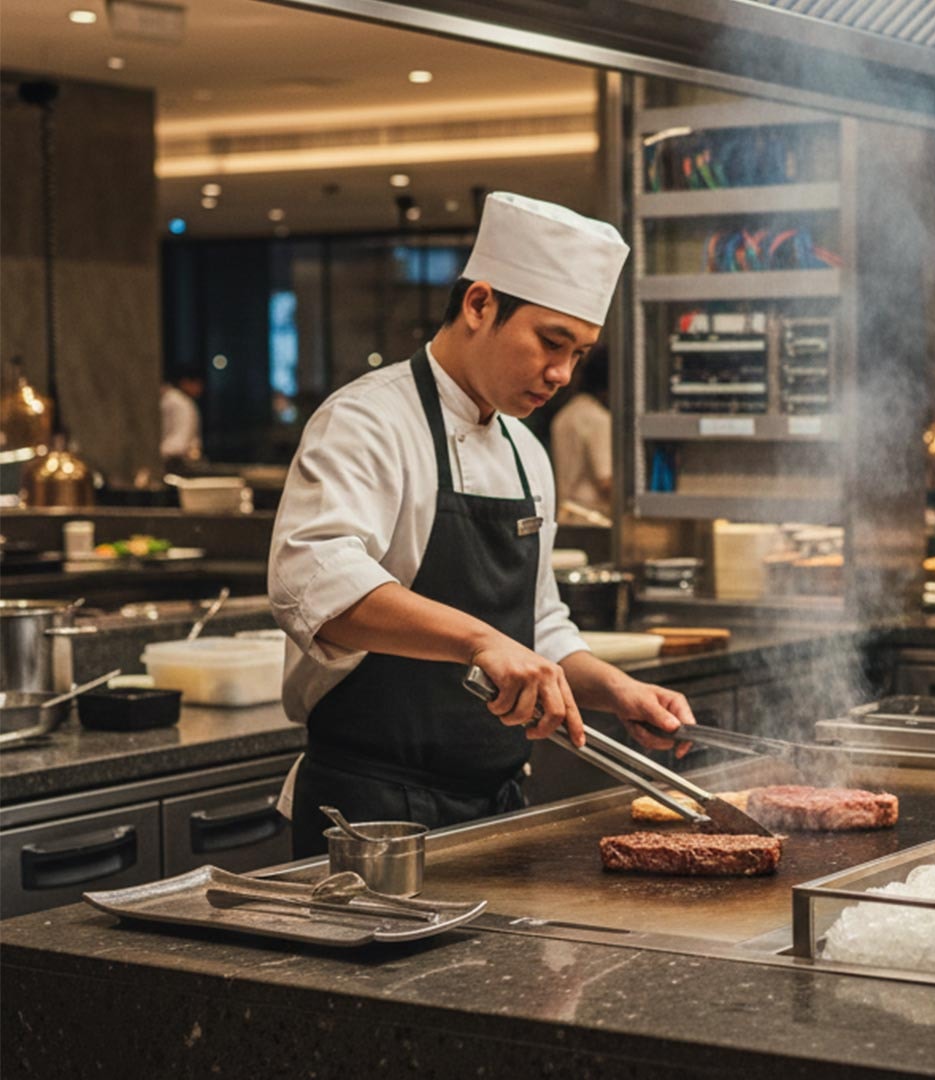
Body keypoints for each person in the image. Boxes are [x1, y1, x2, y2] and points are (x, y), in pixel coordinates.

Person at [269, 193, 694, 857]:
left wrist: (614, 689)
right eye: (551, 342)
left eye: (579, 354)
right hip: (371, 816)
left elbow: (538, 624)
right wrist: (479, 641)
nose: (561, 374)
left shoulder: (526, 450)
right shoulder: (366, 421)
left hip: (496, 805)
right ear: (478, 305)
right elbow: (314, 585)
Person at [550, 344, 614, 518]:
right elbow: (606, 481)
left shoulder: (566, 413)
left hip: (566, 515)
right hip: (593, 518)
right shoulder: (598, 418)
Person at [159, 369, 204, 468]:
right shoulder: (177, 401)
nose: (200, 389)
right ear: (185, 382)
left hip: (175, 460)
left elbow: (179, 440)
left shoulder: (176, 400)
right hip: (174, 459)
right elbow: (179, 441)